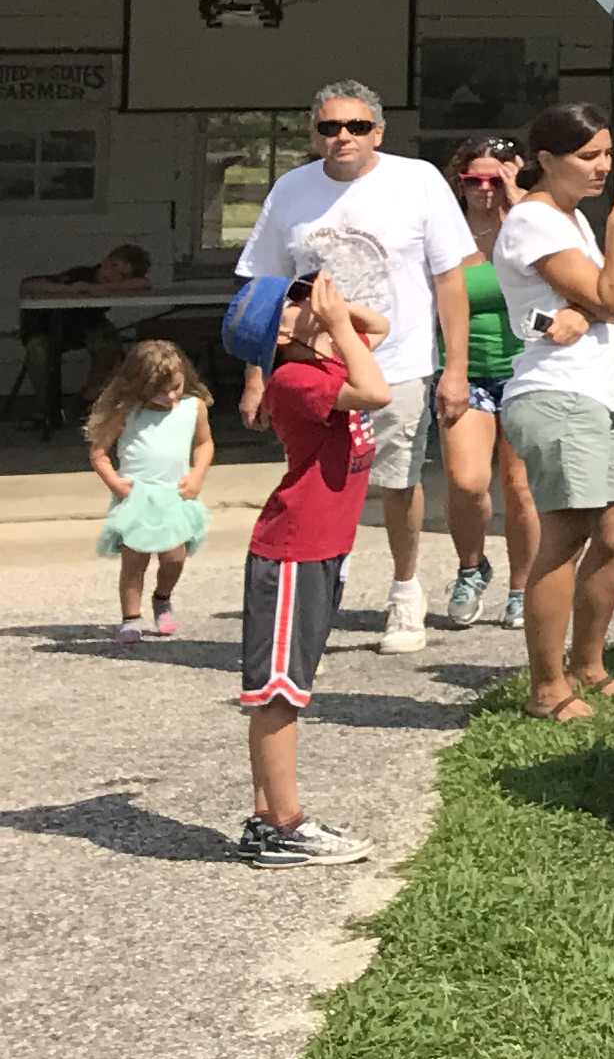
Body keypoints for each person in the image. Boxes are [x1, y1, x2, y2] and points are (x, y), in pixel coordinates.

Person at [234, 80, 472, 653]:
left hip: (398, 359)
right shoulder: (291, 190)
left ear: (379, 133)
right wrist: (255, 375)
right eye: (330, 127)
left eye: (357, 127)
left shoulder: (417, 181)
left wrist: (455, 366)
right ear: (315, 134)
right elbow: (265, 288)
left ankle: (405, 593)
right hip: (313, 367)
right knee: (321, 481)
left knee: (397, 482)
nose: (343, 137)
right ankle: (324, 581)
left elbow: (449, 279)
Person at [492, 104, 614, 723]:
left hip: (596, 394)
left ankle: (589, 665)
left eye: (607, 154)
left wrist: (587, 310)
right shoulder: (536, 221)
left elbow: (600, 302)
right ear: (547, 160)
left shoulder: (568, 218)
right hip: (556, 396)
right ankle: (546, 688)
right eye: (589, 157)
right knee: (565, 536)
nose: (603, 167)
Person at [239, 277, 395, 868]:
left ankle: (265, 818)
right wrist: (329, 323)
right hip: (292, 550)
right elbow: (377, 393)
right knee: (278, 691)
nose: (319, 302)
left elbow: (376, 326)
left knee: (289, 686)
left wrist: (329, 314)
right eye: (297, 301)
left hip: (322, 549)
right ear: (280, 333)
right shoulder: (296, 380)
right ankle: (284, 825)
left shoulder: (327, 366)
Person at [437, 141, 539, 630]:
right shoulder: (445, 234)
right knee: (466, 481)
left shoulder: (529, 223)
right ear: (457, 182)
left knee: (519, 487)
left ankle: (523, 587)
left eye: (492, 180)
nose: (482, 190)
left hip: (526, 370)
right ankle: (471, 566)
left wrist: (518, 201)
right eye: (471, 181)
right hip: (466, 371)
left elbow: (557, 269)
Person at [86, 339, 213, 636]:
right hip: (137, 497)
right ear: (138, 387)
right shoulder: (127, 412)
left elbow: (204, 444)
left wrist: (197, 475)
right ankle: (131, 617)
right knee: (134, 560)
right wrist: (116, 483)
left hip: (175, 495)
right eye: (161, 391)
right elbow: (98, 452)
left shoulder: (192, 408)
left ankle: (163, 598)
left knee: (175, 557)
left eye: (177, 386)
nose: (171, 396)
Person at [19, 241, 150, 415]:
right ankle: (48, 409)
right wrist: (68, 290)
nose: (112, 274)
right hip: (45, 327)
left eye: (122, 275)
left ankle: (89, 396)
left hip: (84, 327)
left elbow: (144, 284)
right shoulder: (81, 274)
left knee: (109, 340)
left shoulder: (108, 286)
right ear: (105, 261)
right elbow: (28, 286)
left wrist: (99, 289)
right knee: (38, 353)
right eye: (113, 266)